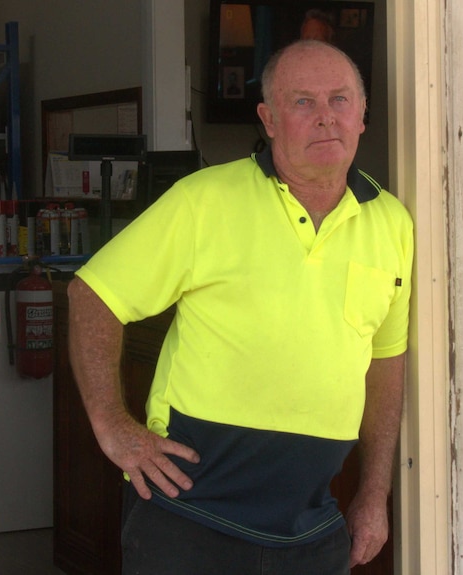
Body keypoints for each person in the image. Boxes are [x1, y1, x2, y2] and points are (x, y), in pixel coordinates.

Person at [67, 40, 414, 575]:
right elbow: (93, 294)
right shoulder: (204, 201)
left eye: (340, 100)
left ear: (363, 116)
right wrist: (111, 424)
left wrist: (373, 493)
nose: (326, 118)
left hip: (313, 526)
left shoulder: (392, 225)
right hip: (189, 519)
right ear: (268, 119)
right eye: (302, 102)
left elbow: (386, 364)